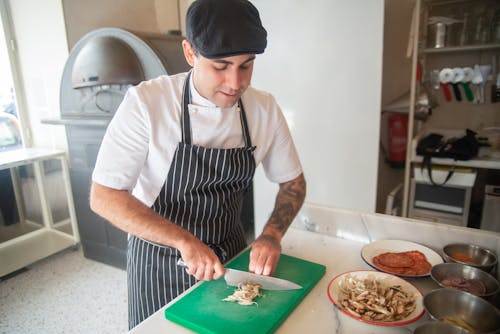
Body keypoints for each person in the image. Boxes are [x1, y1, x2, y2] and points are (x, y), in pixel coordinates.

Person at [89, 0, 306, 329]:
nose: (235, 82)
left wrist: (271, 236)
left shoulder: (264, 109)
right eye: (220, 66)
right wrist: (184, 241)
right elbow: (104, 195)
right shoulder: (148, 103)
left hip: (230, 257)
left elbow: (293, 183)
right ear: (190, 53)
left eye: (246, 65)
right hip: (160, 263)